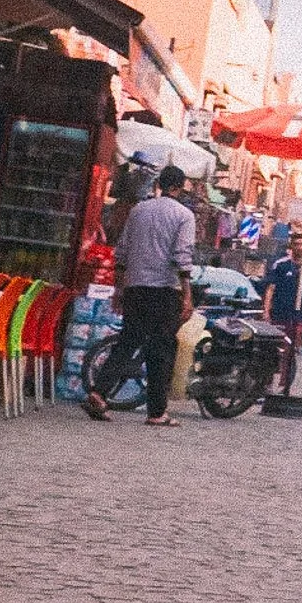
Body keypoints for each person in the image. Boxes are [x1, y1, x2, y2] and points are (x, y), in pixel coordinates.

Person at [86, 163, 196, 427]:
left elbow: (121, 252)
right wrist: (187, 295)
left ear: (159, 185)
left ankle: (99, 392)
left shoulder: (138, 210)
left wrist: (119, 288)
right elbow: (182, 256)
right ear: (176, 188)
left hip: (135, 287)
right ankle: (157, 412)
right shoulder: (184, 215)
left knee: (128, 341)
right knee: (160, 349)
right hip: (164, 291)